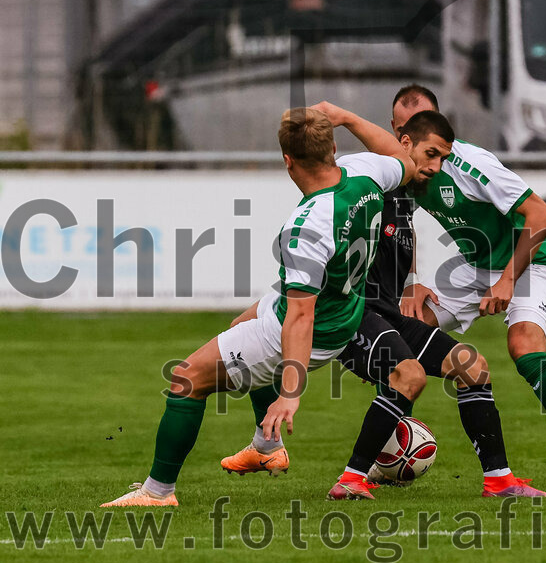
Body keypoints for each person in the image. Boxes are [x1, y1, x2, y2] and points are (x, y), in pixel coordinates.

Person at [222, 104, 546, 498]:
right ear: (403, 142)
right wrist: (344, 117)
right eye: (429, 154)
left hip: (384, 313)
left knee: (473, 367)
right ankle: (317, 465)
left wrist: (413, 280)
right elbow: (394, 156)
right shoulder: (371, 179)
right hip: (352, 313)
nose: (434, 166)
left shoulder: (409, 191)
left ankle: (499, 481)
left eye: (443, 158)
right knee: (245, 332)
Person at [102, 105, 421, 506]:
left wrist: (290, 392)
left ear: (288, 161)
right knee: (242, 321)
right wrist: (349, 116)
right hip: (342, 304)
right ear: (334, 148)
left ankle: (157, 492)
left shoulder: (307, 226)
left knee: (186, 382)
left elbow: (300, 316)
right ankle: (266, 447)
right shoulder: (366, 172)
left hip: (315, 326)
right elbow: (405, 161)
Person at [395, 85, 546, 490]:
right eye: (399, 130)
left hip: (526, 258)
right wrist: (412, 283)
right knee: (402, 333)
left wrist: (507, 280)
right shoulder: (401, 169)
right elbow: (403, 226)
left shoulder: (472, 164)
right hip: (474, 263)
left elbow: (541, 213)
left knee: (525, 348)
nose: (406, 138)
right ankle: (384, 456)